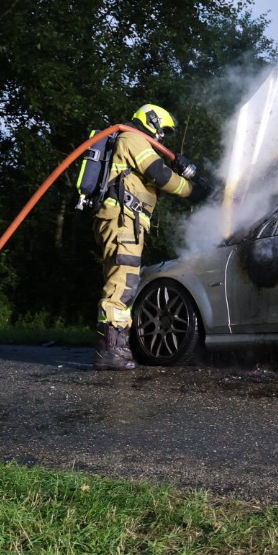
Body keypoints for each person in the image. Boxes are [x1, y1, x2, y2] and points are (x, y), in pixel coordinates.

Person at [93, 103, 210, 370]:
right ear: (152, 121)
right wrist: (192, 191)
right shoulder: (132, 138)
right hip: (123, 220)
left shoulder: (131, 142)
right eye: (162, 131)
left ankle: (115, 347)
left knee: (123, 282)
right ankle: (111, 351)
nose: (162, 137)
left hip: (125, 220)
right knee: (123, 283)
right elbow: (159, 174)